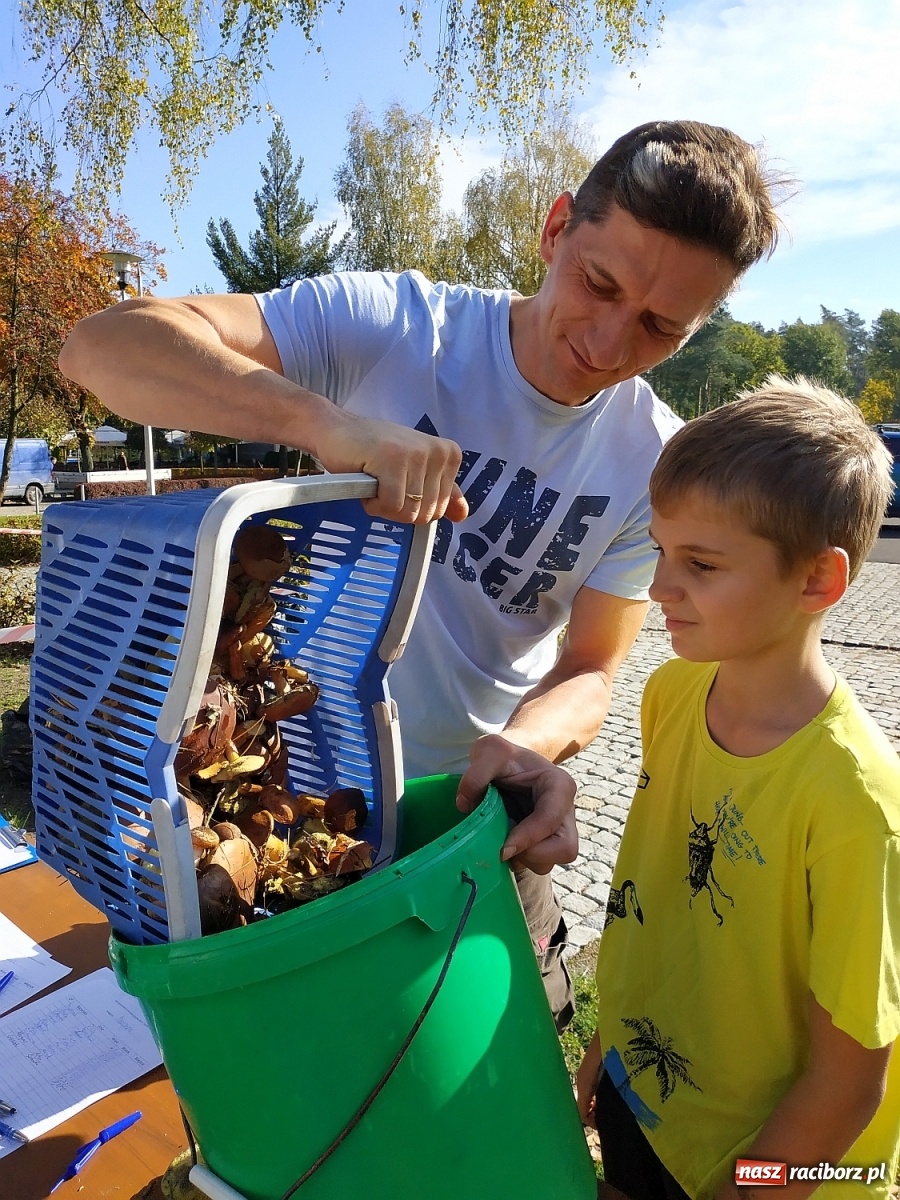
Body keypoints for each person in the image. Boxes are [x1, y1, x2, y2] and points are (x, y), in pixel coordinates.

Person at [58, 121, 784, 1028]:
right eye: (599, 284)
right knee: (289, 1060)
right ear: (556, 228)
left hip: (472, 820)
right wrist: (328, 427)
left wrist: (531, 749)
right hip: (293, 803)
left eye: (659, 327)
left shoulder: (651, 461)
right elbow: (102, 348)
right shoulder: (397, 327)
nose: (606, 343)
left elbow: (592, 666)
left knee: (504, 1068)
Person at [575, 377, 900, 1199]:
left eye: (702, 564)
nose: (659, 588)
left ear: (817, 582)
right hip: (647, 1099)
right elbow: (653, 903)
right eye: (660, 550)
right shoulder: (672, 694)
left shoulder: (856, 802)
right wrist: (610, 1045)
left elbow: (846, 1085)